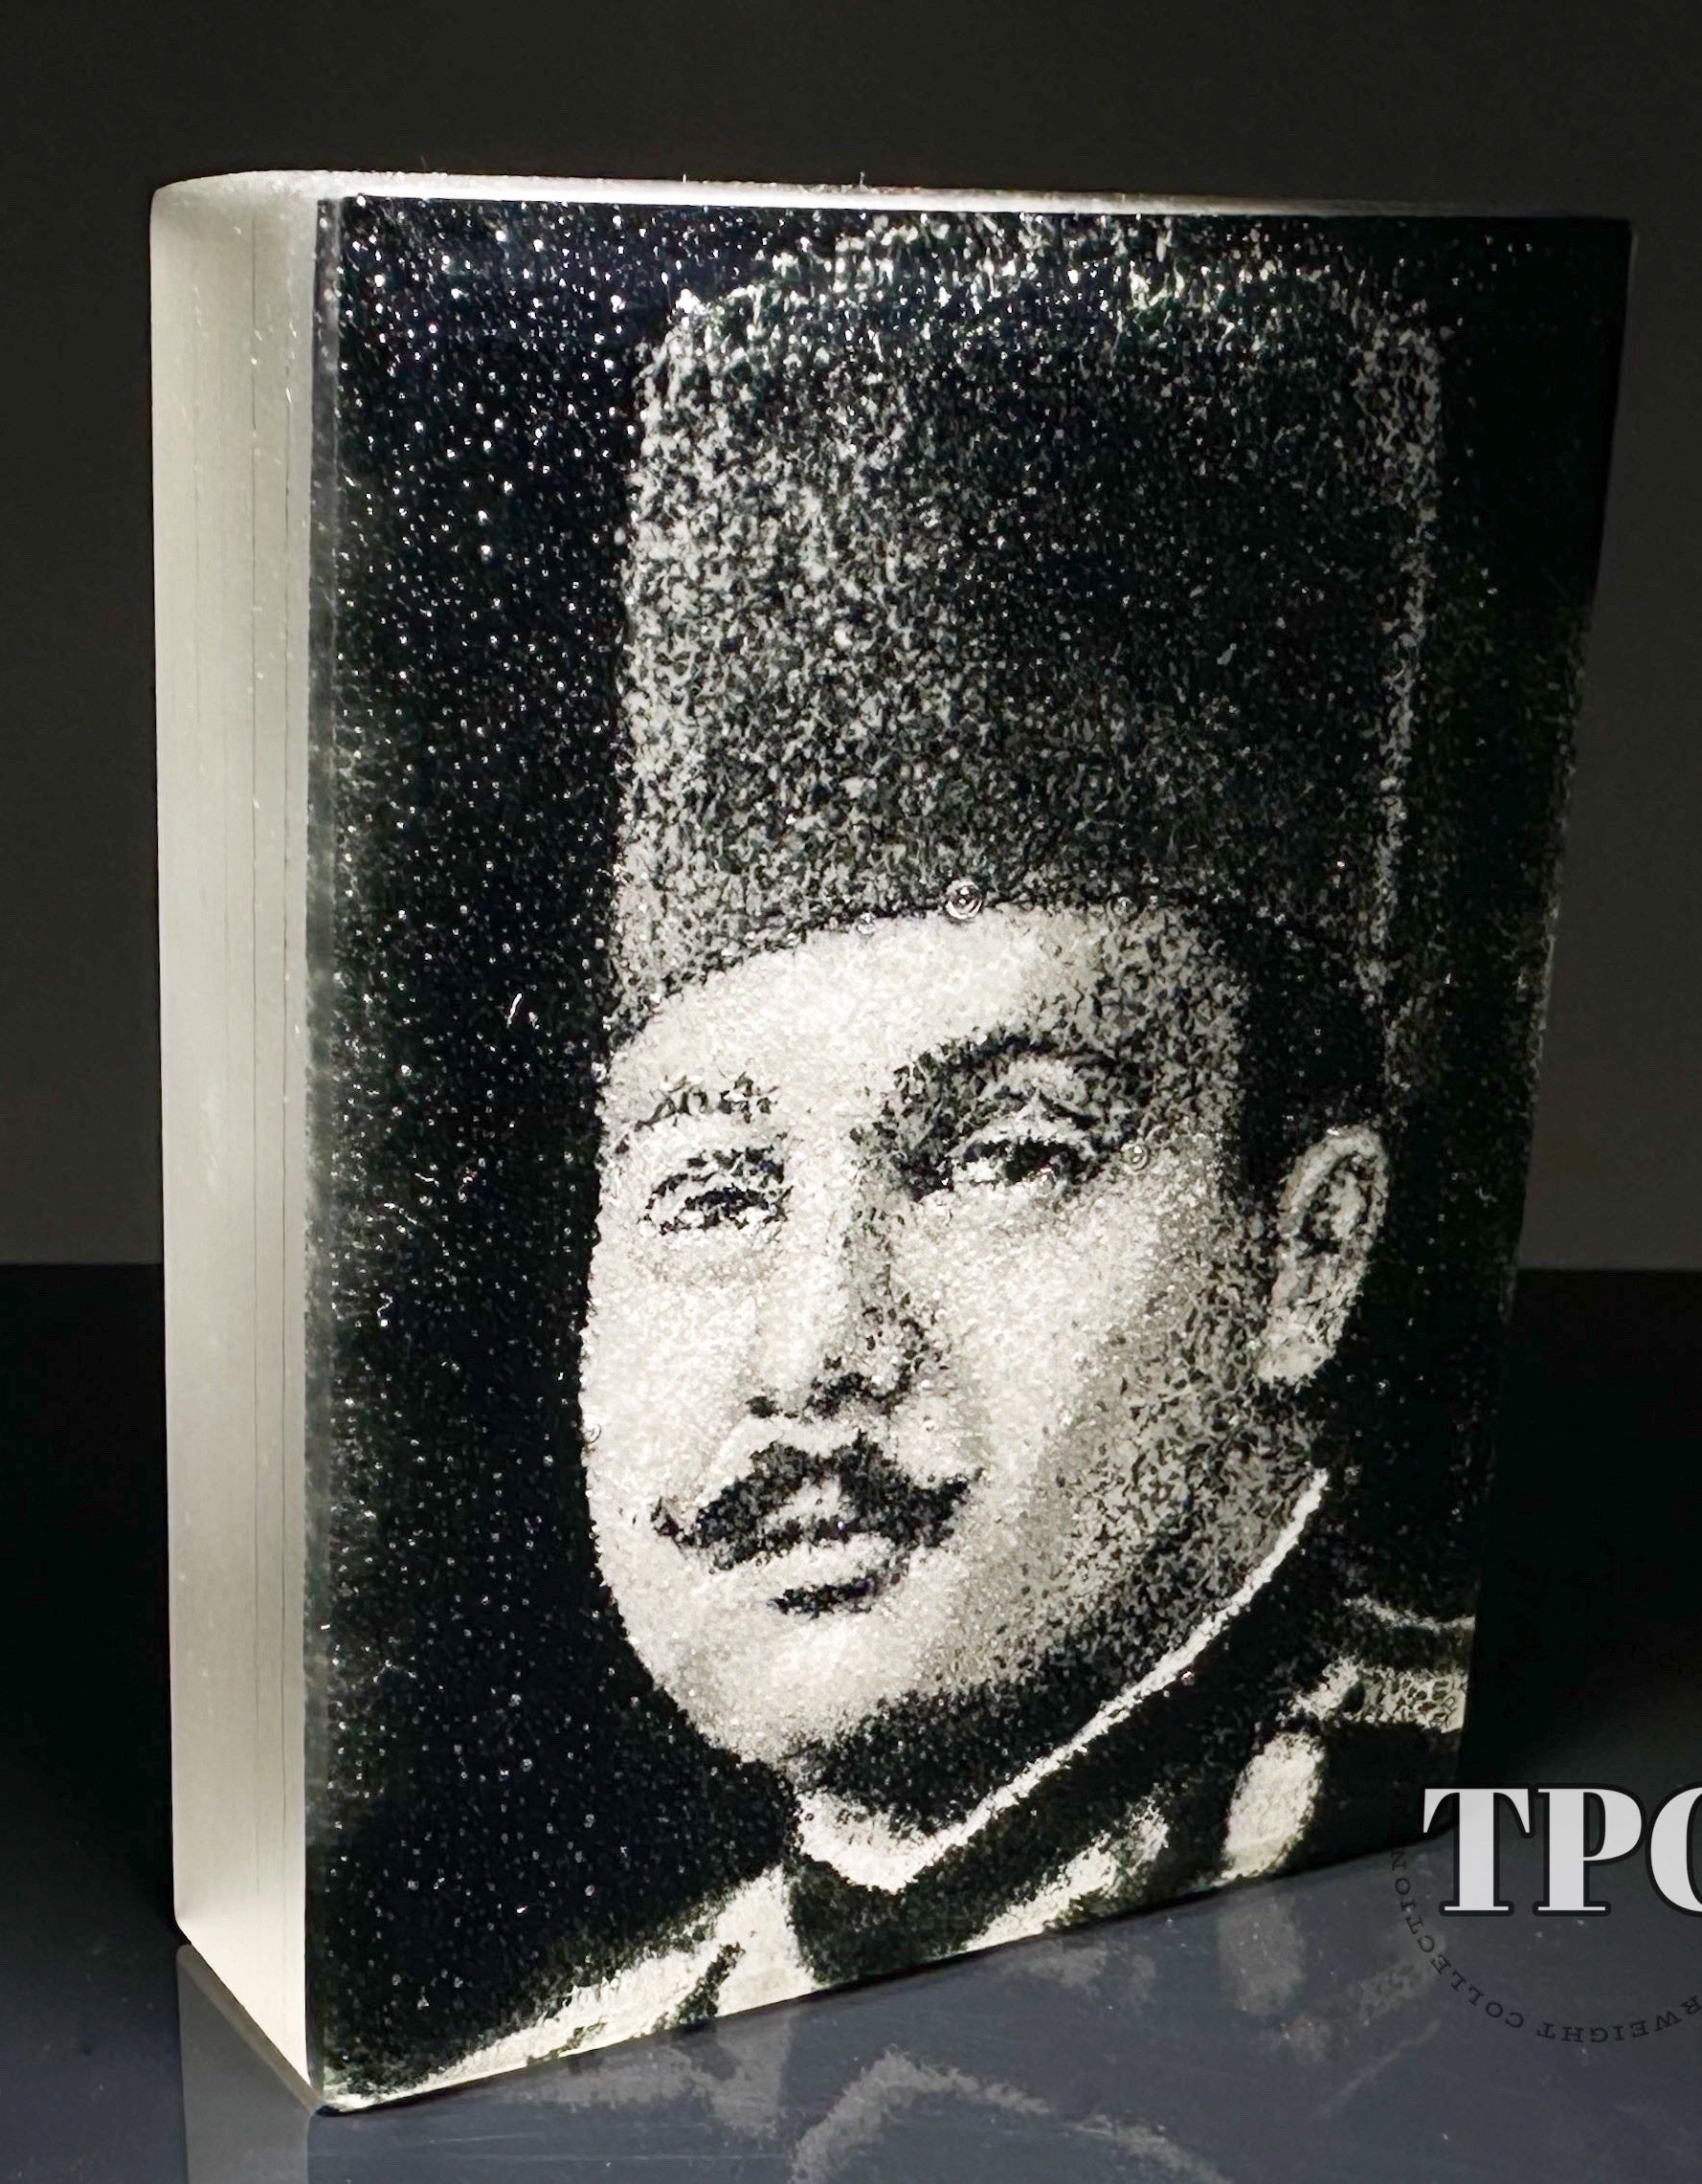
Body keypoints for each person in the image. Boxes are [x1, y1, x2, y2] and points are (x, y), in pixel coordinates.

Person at [447, 215, 1470, 2080]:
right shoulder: (604, 2055)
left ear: (1308, 1249)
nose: (811, 1352)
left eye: (1003, 1156)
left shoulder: (1436, 1956)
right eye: (711, 1194)